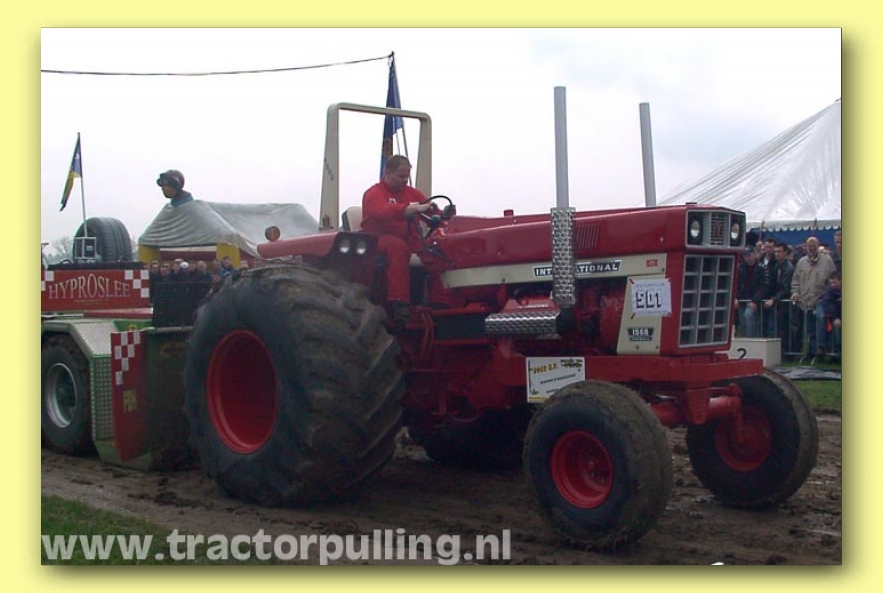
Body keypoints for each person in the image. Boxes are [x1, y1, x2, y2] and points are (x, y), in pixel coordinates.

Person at [361, 154, 444, 326]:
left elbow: (430, 212)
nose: (405, 180)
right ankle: (399, 302)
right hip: (378, 239)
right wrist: (412, 209)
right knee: (397, 247)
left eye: (407, 176)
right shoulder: (374, 194)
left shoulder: (413, 193)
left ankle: (440, 300)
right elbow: (383, 212)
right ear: (388, 173)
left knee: (438, 249)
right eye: (401, 176)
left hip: (411, 240)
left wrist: (441, 214)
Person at [791, 236, 836, 359]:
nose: (811, 248)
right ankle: (810, 352)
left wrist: (828, 295)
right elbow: (796, 280)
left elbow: (833, 280)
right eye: (809, 246)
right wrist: (795, 292)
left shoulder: (827, 261)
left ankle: (821, 349)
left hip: (822, 299)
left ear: (818, 246)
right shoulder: (801, 262)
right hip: (805, 301)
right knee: (809, 328)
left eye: (813, 246)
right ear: (806, 247)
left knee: (820, 320)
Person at [819, 270, 841, 358]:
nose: (832, 285)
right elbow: (829, 304)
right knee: (836, 328)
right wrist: (836, 317)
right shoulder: (829, 292)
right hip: (835, 315)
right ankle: (838, 350)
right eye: (831, 283)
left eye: (834, 283)